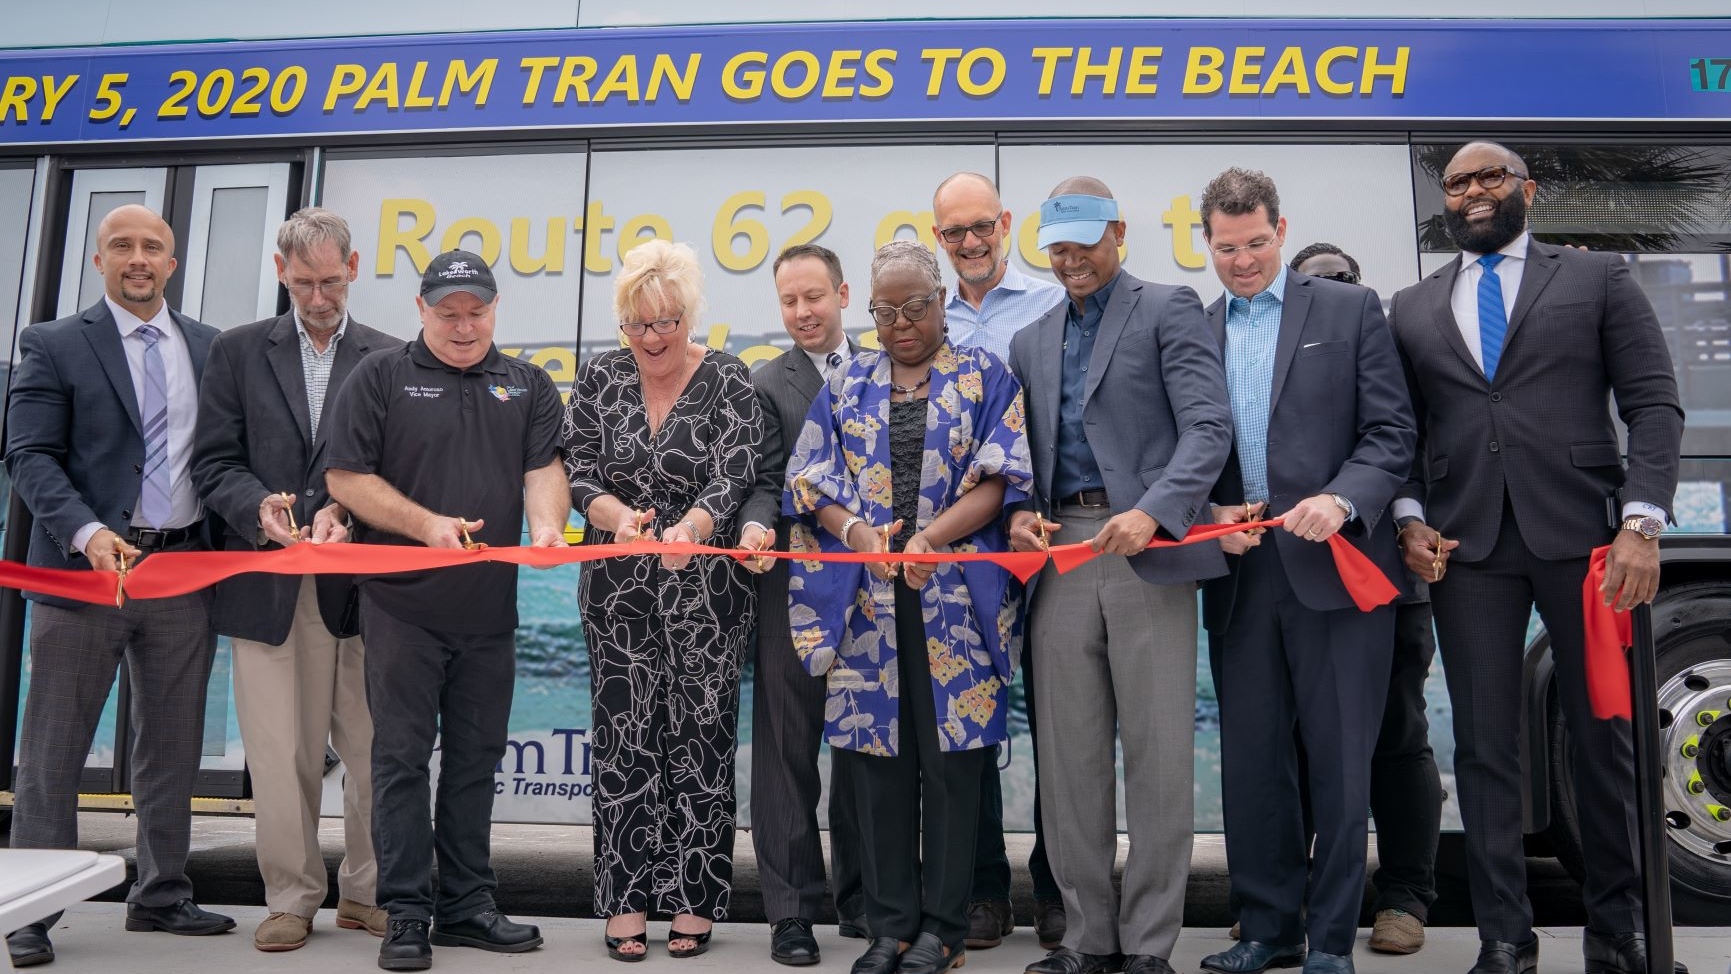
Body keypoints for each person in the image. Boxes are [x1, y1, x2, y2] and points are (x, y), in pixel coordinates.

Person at [1388, 141, 1684, 974]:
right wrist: (1408, 520)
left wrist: (1640, 525)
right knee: (1483, 745)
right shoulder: (1410, 305)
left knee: (1603, 735)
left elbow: (1653, 404)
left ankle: (1618, 933)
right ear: (1444, 201)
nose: (1472, 192)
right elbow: (1399, 433)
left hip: (1588, 543)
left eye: (1489, 178)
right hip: (1464, 549)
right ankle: (1503, 940)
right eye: (1456, 183)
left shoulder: (1594, 279)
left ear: (1526, 189)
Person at [785, 239, 1032, 974]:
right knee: (875, 766)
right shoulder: (849, 380)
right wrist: (858, 533)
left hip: (952, 599)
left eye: (913, 306)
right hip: (866, 609)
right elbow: (809, 481)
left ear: (939, 304)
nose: (898, 322)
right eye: (883, 309)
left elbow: (1002, 476)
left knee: (954, 768)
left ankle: (943, 931)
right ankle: (889, 926)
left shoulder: (985, 376)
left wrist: (927, 539)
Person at [1006, 179, 1232, 974]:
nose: (1069, 260)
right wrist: (1018, 513)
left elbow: (1208, 427)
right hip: (1060, 552)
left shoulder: (1169, 307)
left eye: (1083, 243)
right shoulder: (1029, 339)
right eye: (1057, 247)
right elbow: (1018, 459)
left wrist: (1158, 511)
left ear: (1118, 234)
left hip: (1148, 545)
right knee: (1068, 762)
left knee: (1159, 752)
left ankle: (1146, 945)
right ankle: (1085, 938)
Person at [324, 249, 568, 971]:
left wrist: (548, 526)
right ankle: (405, 913)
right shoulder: (380, 377)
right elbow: (345, 475)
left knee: (474, 762)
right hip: (401, 607)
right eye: (448, 313)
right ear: (422, 310)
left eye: (477, 312)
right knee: (400, 759)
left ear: (495, 310)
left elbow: (543, 469)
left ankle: (467, 905)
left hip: (489, 610)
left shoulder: (526, 383)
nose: (464, 327)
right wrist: (425, 524)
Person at [1197, 168, 1414, 974]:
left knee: (1338, 759)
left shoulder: (1350, 311)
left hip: (1336, 568)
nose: (1242, 260)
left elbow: (1392, 433)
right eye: (1226, 248)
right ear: (1206, 244)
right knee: (1253, 763)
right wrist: (1206, 520)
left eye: (1255, 243)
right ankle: (1267, 930)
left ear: (1280, 233)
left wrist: (1341, 499)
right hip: (1240, 573)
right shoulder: (1199, 325)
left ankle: (1330, 941)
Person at [3, 204, 232, 968]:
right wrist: (88, 532)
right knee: (53, 748)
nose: (139, 258)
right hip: (81, 574)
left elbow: (220, 459)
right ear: (99, 261)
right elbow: (30, 456)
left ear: (172, 263)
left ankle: (162, 895)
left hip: (180, 572)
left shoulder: (208, 347)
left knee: (170, 745)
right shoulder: (54, 344)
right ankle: (32, 908)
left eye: (153, 248)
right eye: (122, 246)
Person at [191, 207, 401, 952]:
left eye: (332, 281)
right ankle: (290, 897)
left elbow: (397, 471)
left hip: (367, 594)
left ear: (353, 267)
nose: (319, 298)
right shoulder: (237, 352)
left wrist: (348, 510)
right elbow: (213, 462)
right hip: (270, 585)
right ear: (281, 273)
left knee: (379, 750)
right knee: (280, 755)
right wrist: (259, 511)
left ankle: (368, 894)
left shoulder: (390, 356)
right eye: (305, 282)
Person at [561, 239, 763, 962]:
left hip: (705, 595)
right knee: (623, 744)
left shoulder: (730, 378)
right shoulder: (601, 376)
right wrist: (613, 514)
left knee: (700, 747)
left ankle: (693, 899)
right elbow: (578, 463)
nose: (651, 339)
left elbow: (734, 472)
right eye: (636, 325)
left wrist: (695, 525)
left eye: (665, 323)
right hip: (615, 592)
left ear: (687, 316)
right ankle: (624, 902)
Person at [1290, 242, 1441, 956]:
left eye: (1343, 282)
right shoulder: (1275, 351)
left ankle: (1405, 897)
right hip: (1299, 580)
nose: (1329, 293)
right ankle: (1294, 899)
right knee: (1298, 742)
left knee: (1394, 733)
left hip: (1385, 572)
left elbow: (1409, 447)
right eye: (1313, 283)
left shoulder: (1384, 342)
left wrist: (1408, 519)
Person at [931, 171, 1067, 951]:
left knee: (1061, 725)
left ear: (1006, 222)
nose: (972, 243)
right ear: (938, 236)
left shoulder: (1052, 301)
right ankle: (985, 892)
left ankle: (1057, 887)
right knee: (969, 727)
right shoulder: (923, 314)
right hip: (958, 553)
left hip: (1046, 542)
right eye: (955, 233)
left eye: (983, 227)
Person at [738, 243, 864, 966]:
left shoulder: (883, 368)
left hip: (871, 591)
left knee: (864, 749)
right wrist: (757, 523)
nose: (802, 312)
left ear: (842, 294)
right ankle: (790, 913)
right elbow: (759, 477)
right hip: (791, 588)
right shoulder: (765, 381)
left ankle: (860, 898)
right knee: (786, 751)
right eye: (788, 301)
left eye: (813, 297)